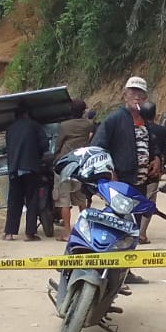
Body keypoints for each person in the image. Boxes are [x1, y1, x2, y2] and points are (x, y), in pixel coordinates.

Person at [91, 76, 161, 190]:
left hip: (141, 185)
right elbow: (97, 148)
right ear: (125, 96)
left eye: (141, 94)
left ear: (146, 98)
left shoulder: (145, 121)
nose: (137, 97)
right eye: (133, 93)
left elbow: (152, 145)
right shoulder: (114, 120)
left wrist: (157, 158)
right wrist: (109, 173)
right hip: (120, 184)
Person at [3, 105, 48, 241]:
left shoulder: (10, 129)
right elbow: (44, 144)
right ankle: (29, 233)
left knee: (14, 201)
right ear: (27, 114)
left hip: (14, 169)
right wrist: (37, 156)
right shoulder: (34, 125)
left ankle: (9, 233)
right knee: (32, 200)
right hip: (30, 168)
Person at [54, 98, 96, 234]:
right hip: (80, 166)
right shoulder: (88, 125)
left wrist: (55, 155)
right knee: (81, 200)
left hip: (65, 166)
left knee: (64, 201)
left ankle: (67, 232)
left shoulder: (64, 126)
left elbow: (58, 144)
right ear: (83, 111)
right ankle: (85, 230)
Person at [137, 101, 166, 244]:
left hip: (137, 171)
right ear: (155, 114)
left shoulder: (136, 128)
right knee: (149, 201)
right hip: (153, 172)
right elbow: (164, 150)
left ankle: (131, 230)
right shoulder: (161, 131)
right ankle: (142, 234)